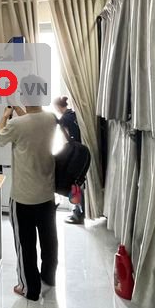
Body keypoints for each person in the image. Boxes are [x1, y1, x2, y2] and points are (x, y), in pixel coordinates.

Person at [0, 97, 59, 301]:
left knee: (25, 244)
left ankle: (29, 288)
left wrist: (6, 115)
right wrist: (18, 108)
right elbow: (32, 122)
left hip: (23, 197)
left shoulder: (16, 124)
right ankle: (48, 277)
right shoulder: (51, 119)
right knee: (49, 240)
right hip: (46, 194)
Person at [53, 96, 85, 224]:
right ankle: (79, 212)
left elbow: (66, 139)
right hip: (82, 151)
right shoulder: (74, 114)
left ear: (58, 106)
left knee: (73, 185)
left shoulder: (64, 119)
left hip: (74, 153)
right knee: (79, 183)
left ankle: (78, 213)